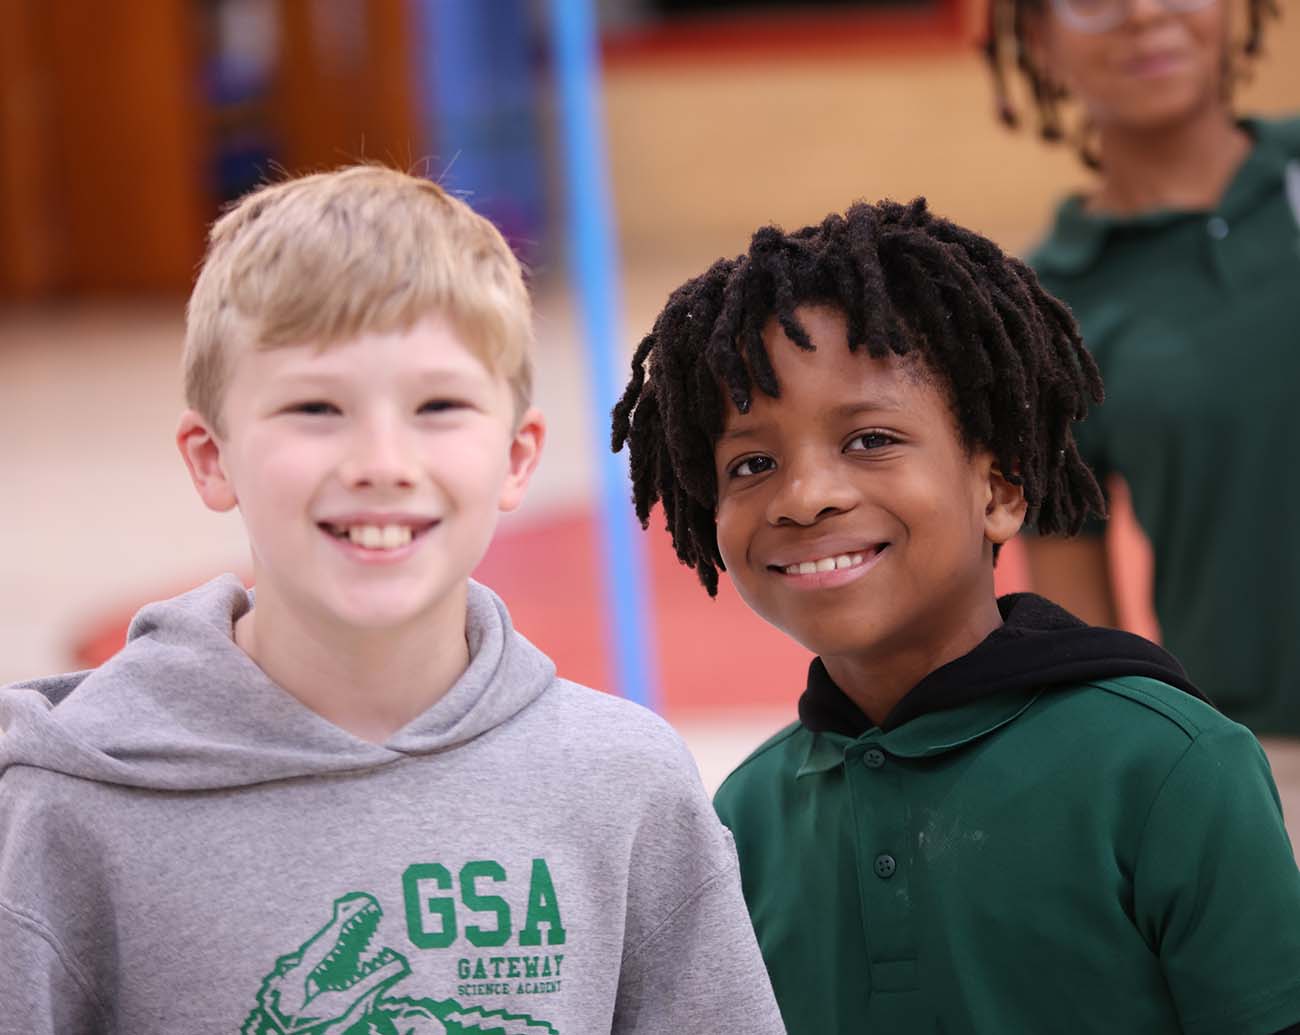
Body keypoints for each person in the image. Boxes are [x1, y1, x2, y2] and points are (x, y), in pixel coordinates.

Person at [0, 166, 785, 1035]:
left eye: (437, 405)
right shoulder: (70, 804)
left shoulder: (625, 786)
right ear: (211, 456)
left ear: (518, 455)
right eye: (315, 407)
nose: (381, 460)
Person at [611, 199, 1300, 1033]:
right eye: (753, 462)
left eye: (870, 439)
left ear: (1001, 490)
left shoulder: (1172, 768)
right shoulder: (741, 817)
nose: (805, 496)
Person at [984, 0, 1300, 748]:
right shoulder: (1047, 314)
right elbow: (1083, 635)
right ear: (1039, 39)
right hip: (1267, 765)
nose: (1145, 13)